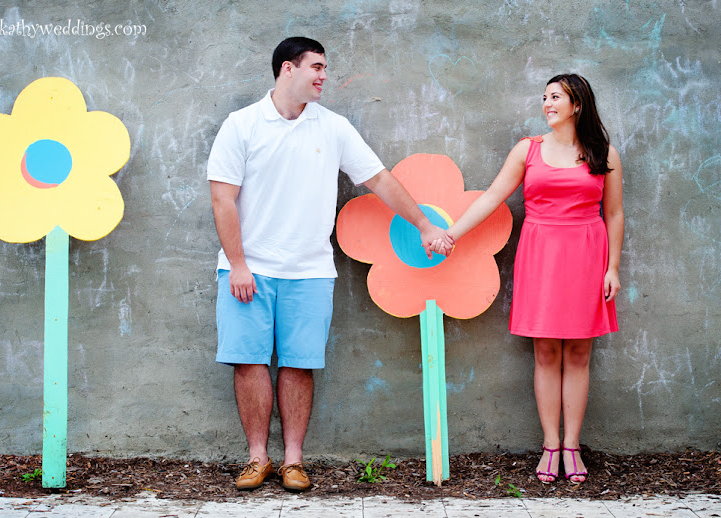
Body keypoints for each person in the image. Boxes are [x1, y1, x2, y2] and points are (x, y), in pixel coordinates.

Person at [207, 37, 453, 492]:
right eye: (316, 67)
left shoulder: (333, 128)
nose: (323, 76)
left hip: (311, 270)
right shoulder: (241, 125)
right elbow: (223, 199)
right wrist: (238, 264)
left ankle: (294, 461)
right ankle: (257, 458)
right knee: (248, 362)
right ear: (287, 68)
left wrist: (422, 223)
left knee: (299, 365)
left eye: (324, 68)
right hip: (248, 270)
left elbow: (378, 178)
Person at [433, 74, 624, 484]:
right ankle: (550, 445)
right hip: (541, 256)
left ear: (577, 104)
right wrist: (451, 234)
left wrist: (612, 268)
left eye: (555, 97)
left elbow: (615, 214)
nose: (547, 104)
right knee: (544, 352)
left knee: (578, 354)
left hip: (588, 256)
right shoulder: (528, 150)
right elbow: (490, 197)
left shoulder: (602, 152)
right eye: (544, 97)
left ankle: (573, 446)